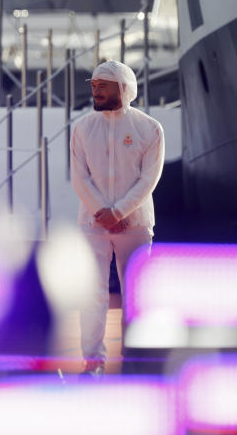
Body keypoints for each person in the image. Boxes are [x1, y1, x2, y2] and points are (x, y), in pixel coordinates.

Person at [71, 60, 164, 377]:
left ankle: (134, 360)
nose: (95, 91)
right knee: (92, 293)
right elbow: (79, 179)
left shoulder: (149, 129)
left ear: (124, 88)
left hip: (135, 224)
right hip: (92, 224)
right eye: (93, 85)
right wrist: (105, 212)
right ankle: (93, 363)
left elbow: (149, 179)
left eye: (103, 85)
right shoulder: (82, 128)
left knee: (136, 294)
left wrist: (120, 212)